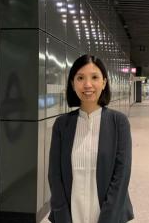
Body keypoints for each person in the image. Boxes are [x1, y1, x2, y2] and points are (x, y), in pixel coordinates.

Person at [48, 54, 134, 223]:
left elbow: (121, 176)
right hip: (71, 215)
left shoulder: (119, 123)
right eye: (80, 78)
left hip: (108, 216)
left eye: (94, 77)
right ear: (73, 84)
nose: (87, 84)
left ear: (104, 82)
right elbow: (54, 175)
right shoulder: (62, 125)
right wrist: (62, 216)